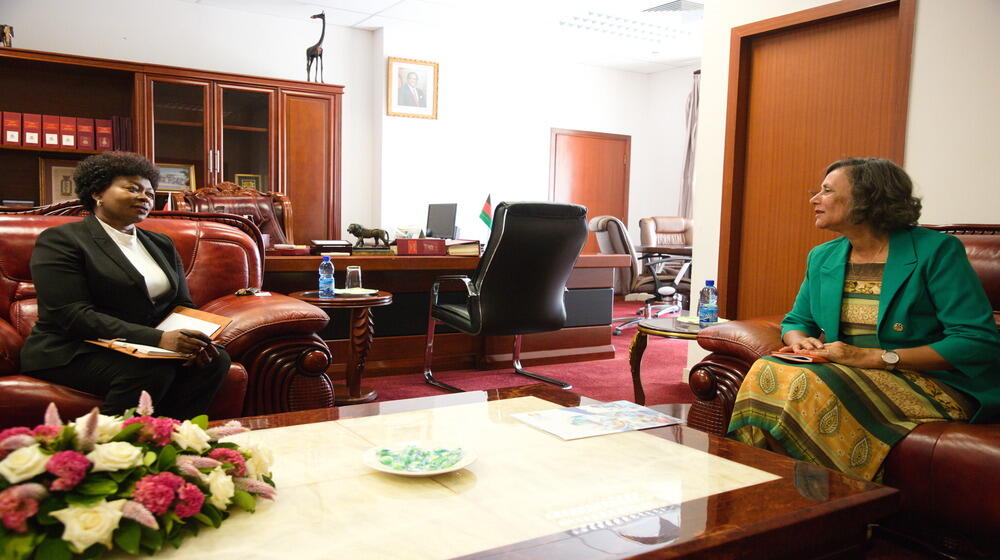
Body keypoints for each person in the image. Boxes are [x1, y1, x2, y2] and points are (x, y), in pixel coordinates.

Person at [727, 157, 1000, 480]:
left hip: (936, 382)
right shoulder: (823, 257)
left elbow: (976, 341)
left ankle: (839, 504)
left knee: (806, 383)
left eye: (827, 191)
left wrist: (873, 357)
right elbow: (797, 320)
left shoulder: (937, 251)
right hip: (848, 372)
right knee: (767, 368)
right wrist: (800, 341)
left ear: (868, 199)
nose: (814, 200)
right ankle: (758, 485)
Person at [20, 151, 230, 419]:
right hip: (72, 348)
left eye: (150, 193)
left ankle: (174, 440)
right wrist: (160, 339)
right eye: (133, 189)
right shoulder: (62, 240)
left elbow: (181, 303)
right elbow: (71, 314)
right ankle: (110, 450)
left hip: (142, 346)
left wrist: (191, 341)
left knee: (214, 359)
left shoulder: (160, 244)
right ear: (97, 192)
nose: (145, 197)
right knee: (151, 369)